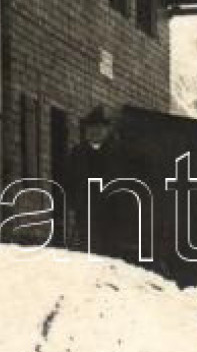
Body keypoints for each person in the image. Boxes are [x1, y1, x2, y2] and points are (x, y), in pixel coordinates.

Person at [62, 106, 147, 263]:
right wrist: (75, 203)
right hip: (86, 211)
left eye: (99, 128)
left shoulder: (119, 153)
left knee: (110, 253)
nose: (95, 132)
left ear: (107, 130)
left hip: (112, 213)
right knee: (88, 250)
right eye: (91, 128)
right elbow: (69, 180)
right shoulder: (78, 153)